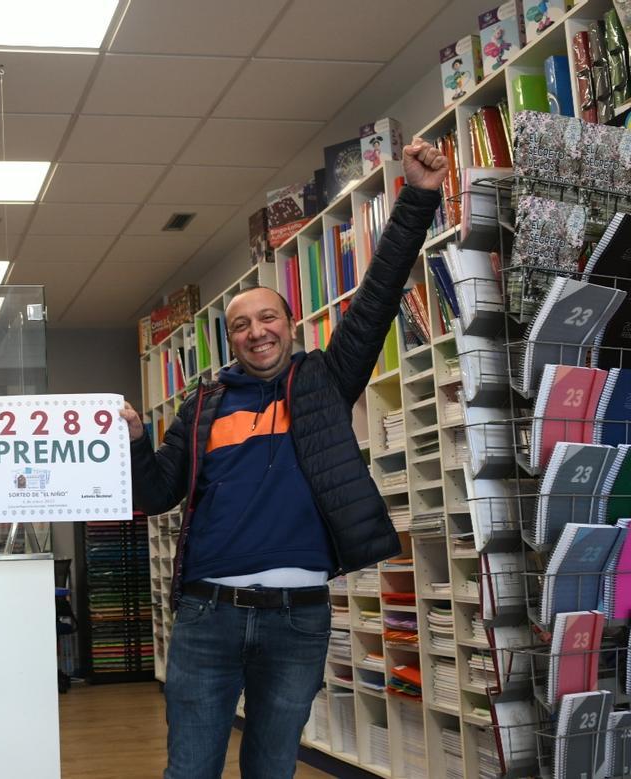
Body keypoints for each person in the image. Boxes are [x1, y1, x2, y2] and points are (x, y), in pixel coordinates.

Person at [119, 138, 447, 779]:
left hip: (298, 619)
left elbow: (378, 296)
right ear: (231, 338)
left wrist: (419, 196)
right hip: (206, 616)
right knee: (189, 770)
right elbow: (156, 492)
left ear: (291, 327)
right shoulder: (203, 407)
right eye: (242, 325)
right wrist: (132, 439)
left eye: (268, 318)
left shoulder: (324, 382)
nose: (256, 331)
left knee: (272, 769)